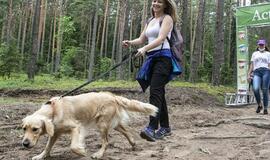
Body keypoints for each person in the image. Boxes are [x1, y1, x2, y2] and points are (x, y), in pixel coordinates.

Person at [122, 0, 181, 141]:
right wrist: (130, 42)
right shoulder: (150, 20)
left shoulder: (167, 19)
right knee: (158, 92)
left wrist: (144, 49)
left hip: (163, 59)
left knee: (155, 91)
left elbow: (161, 39)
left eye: (160, 2)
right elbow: (142, 39)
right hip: (152, 59)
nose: (156, 3)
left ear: (166, 5)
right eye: (154, 1)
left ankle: (152, 128)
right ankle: (165, 128)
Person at [247, 39, 270, 114]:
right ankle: (260, 105)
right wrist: (249, 74)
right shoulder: (254, 53)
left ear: (265, 45)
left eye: (262, 44)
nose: (261, 45)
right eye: (260, 44)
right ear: (258, 45)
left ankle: (265, 108)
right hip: (256, 72)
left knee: (265, 89)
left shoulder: (268, 54)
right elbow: (252, 65)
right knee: (255, 88)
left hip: (266, 71)